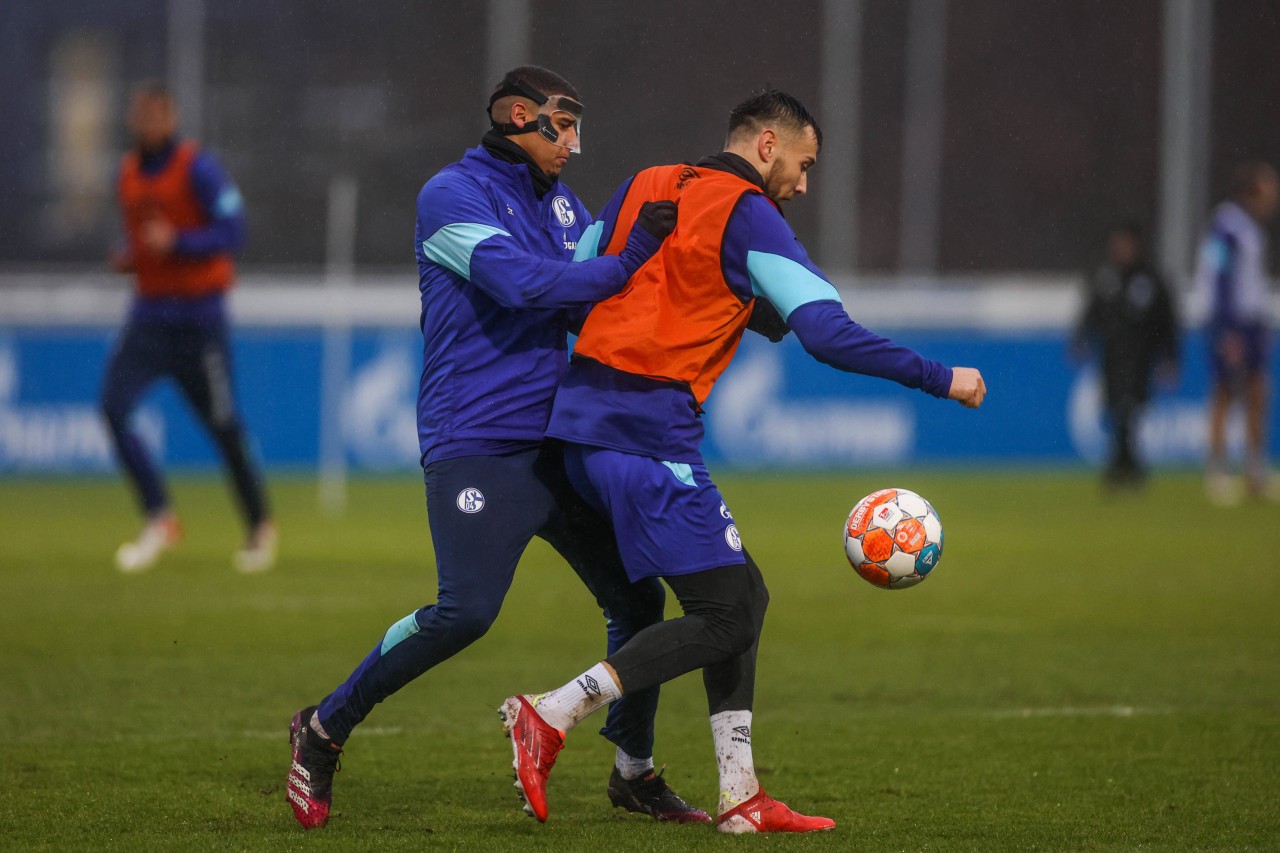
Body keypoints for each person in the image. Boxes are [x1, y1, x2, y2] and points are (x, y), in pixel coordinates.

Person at [498, 89, 987, 834]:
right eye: (802, 163)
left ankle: (736, 793)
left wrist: (712, 299)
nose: (802, 182)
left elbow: (575, 289)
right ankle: (552, 710)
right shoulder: (753, 214)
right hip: (646, 436)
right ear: (766, 145)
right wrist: (941, 378)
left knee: (742, 597)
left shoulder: (643, 182)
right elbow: (829, 334)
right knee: (726, 612)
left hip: (581, 430)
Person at [285, 66, 708, 830]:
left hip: (554, 441)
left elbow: (599, 300)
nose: (575, 144)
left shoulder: (564, 203)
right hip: (475, 441)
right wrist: (629, 257)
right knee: (467, 612)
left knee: (640, 598)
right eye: (565, 125)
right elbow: (527, 286)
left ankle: (633, 771)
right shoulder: (450, 195)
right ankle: (322, 728)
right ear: (520, 116)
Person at [103, 80, 275, 574]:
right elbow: (144, 243)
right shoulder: (128, 173)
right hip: (150, 317)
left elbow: (233, 230)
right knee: (113, 408)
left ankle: (259, 523)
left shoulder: (198, 167)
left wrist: (179, 241)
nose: (149, 124)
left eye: (157, 115)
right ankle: (160, 516)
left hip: (200, 321)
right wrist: (131, 259)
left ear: (171, 118)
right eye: (142, 115)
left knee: (223, 426)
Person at [1193, 161, 1278, 504]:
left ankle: (1255, 470)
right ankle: (1217, 472)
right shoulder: (1227, 225)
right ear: (1255, 190)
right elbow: (1219, 278)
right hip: (1230, 321)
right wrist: (1226, 329)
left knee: (1258, 393)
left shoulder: (1250, 229)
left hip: (1251, 322)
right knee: (1225, 392)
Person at [1072, 223, 1179, 488]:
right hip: (1111, 357)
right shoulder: (1106, 277)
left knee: (1130, 409)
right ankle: (1128, 464)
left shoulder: (1151, 280)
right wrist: (1081, 338)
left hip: (1141, 358)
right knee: (1117, 408)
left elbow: (1166, 321)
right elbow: (1091, 312)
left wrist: (1170, 356)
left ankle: (1123, 464)